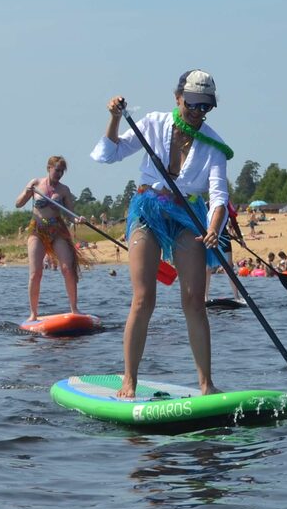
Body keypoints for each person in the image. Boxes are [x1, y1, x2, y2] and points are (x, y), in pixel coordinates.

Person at [92, 70, 230, 398]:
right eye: (192, 105)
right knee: (144, 298)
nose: (197, 113)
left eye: (205, 107)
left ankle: (206, 385)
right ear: (178, 98)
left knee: (194, 300)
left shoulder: (215, 145)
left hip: (188, 215)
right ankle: (129, 379)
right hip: (149, 208)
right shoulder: (152, 123)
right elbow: (108, 154)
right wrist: (114, 119)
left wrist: (214, 228)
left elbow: (219, 196)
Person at [15, 157, 81, 319]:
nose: (59, 174)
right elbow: (18, 203)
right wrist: (27, 191)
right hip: (37, 229)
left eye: (61, 171)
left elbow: (70, 214)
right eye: (56, 170)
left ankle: (74, 309)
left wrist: (78, 219)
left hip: (57, 229)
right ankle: (33, 313)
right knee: (36, 272)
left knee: (67, 269)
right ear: (49, 168)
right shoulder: (36, 183)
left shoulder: (64, 190)